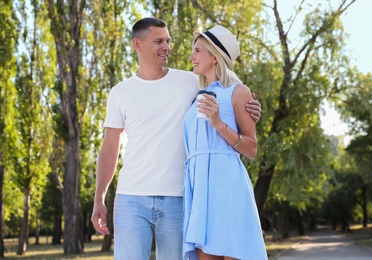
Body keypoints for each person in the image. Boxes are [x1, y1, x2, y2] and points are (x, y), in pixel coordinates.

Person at [90, 17, 262, 260]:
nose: (167, 47)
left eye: (168, 41)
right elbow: (109, 149)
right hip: (131, 199)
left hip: (179, 199)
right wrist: (99, 199)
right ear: (137, 45)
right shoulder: (120, 92)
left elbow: (229, 95)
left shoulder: (191, 82)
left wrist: (252, 108)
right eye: (159, 41)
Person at [182, 25, 268, 259]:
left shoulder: (238, 92)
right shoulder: (194, 94)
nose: (192, 56)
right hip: (199, 188)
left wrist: (219, 124)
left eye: (197, 51)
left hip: (227, 185)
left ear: (213, 56)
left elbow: (251, 148)